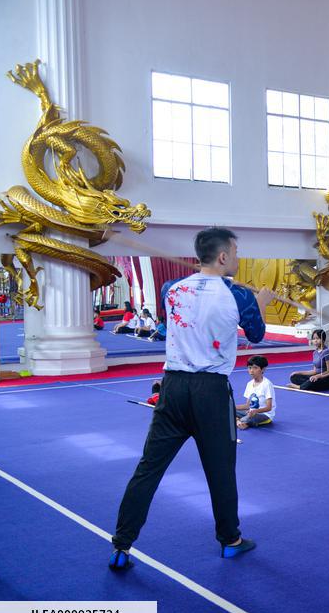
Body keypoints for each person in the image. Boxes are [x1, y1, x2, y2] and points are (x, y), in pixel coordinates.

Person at [109, 227, 275, 571]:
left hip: (172, 387)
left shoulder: (172, 289)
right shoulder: (238, 296)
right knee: (220, 471)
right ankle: (230, 540)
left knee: (148, 469)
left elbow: (186, 323)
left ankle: (121, 545)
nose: (239, 259)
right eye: (236, 253)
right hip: (211, 392)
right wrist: (260, 301)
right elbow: (256, 335)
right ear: (223, 256)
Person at [235, 355, 275, 429]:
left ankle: (241, 421)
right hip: (250, 413)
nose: (251, 370)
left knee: (249, 418)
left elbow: (269, 408)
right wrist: (232, 407)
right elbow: (247, 406)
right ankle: (240, 422)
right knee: (230, 411)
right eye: (249, 368)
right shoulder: (249, 384)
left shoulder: (267, 384)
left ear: (263, 369)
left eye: (255, 368)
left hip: (264, 415)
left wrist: (255, 411)